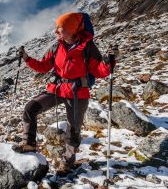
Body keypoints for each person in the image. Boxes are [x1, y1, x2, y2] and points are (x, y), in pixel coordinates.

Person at [12, 12, 117, 173]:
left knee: (73, 129)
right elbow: (43, 66)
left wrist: (109, 62)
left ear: (72, 30)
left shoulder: (88, 47)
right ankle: (29, 143)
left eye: (60, 29)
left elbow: (98, 71)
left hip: (78, 93)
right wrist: (26, 58)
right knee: (30, 107)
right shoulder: (57, 46)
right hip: (58, 89)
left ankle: (67, 162)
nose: (56, 32)